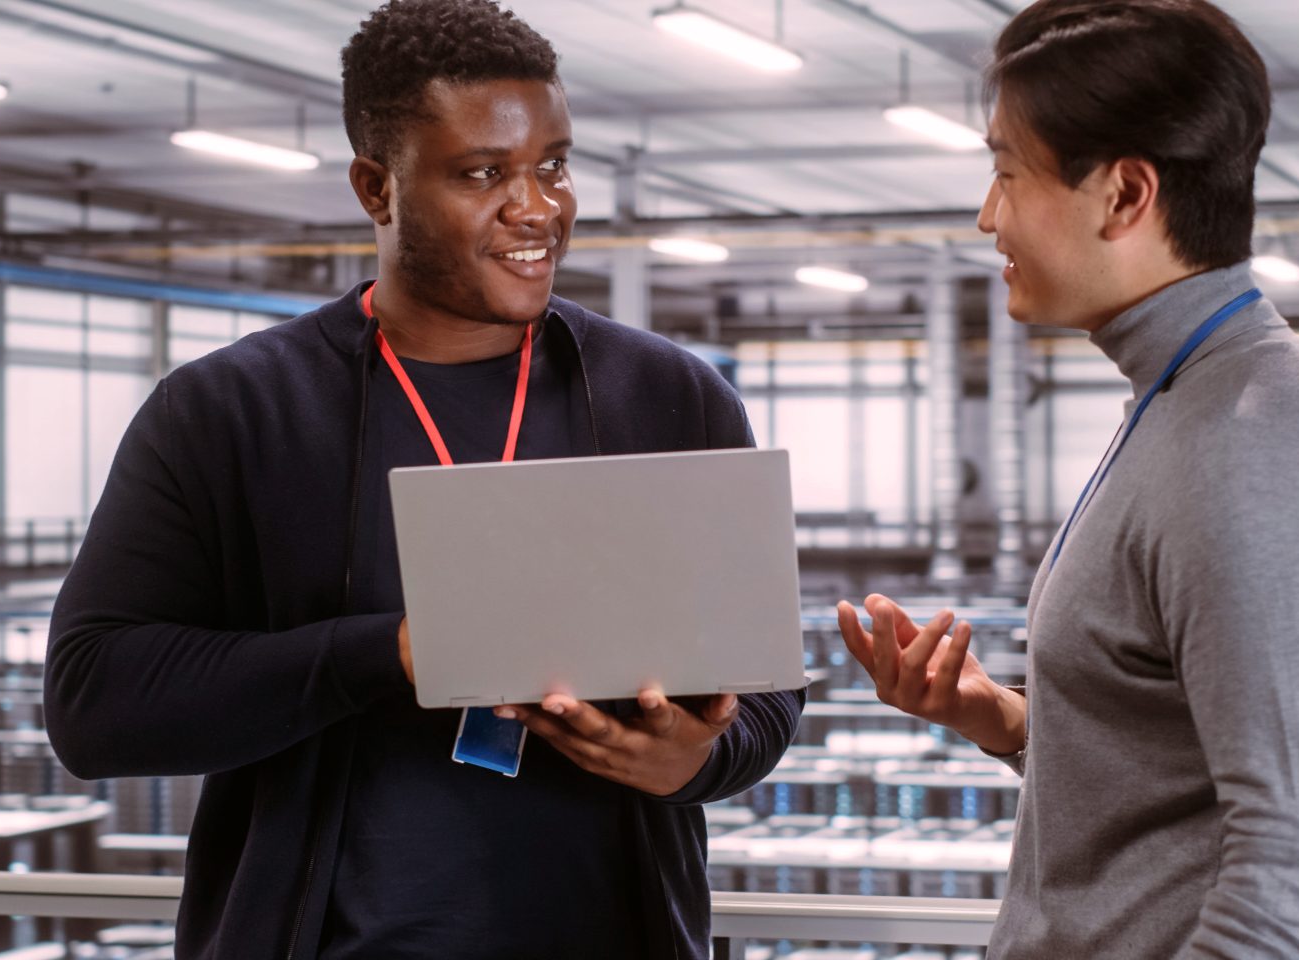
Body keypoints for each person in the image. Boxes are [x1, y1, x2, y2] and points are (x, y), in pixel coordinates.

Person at [44, 2, 801, 958]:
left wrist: (700, 758)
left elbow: (767, 687)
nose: (537, 208)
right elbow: (93, 705)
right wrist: (401, 651)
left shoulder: (671, 399)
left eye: (554, 166)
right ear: (377, 186)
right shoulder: (230, 413)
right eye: (484, 173)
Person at [833, 0, 1299, 957]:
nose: (986, 213)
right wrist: (1006, 720)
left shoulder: (1247, 445)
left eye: (1008, 172)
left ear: (1125, 195)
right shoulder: (1185, 401)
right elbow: (1178, 787)